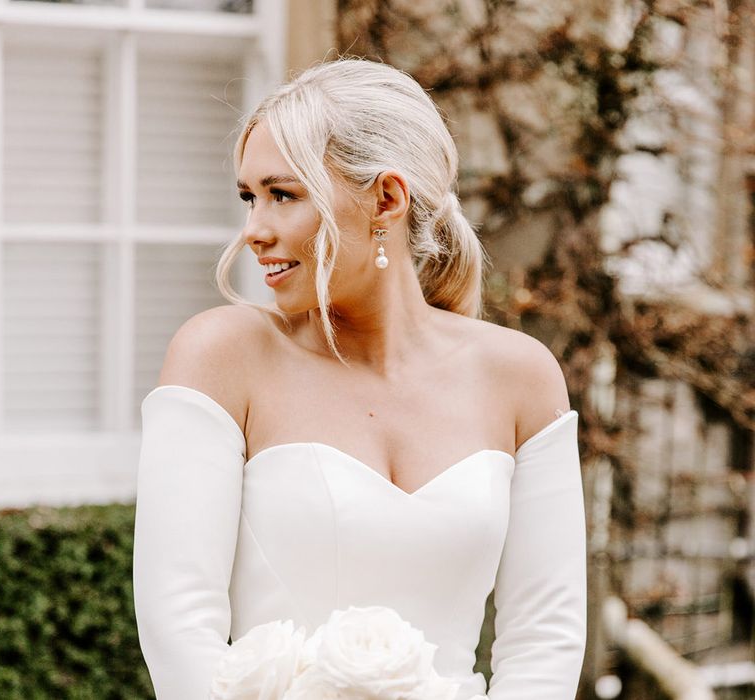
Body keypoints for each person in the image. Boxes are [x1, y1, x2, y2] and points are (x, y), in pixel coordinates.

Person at [132, 57, 587, 700]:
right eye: (249, 197)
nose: (255, 230)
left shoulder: (520, 377)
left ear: (386, 200)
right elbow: (178, 624)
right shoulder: (221, 356)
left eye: (283, 194)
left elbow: (546, 641)